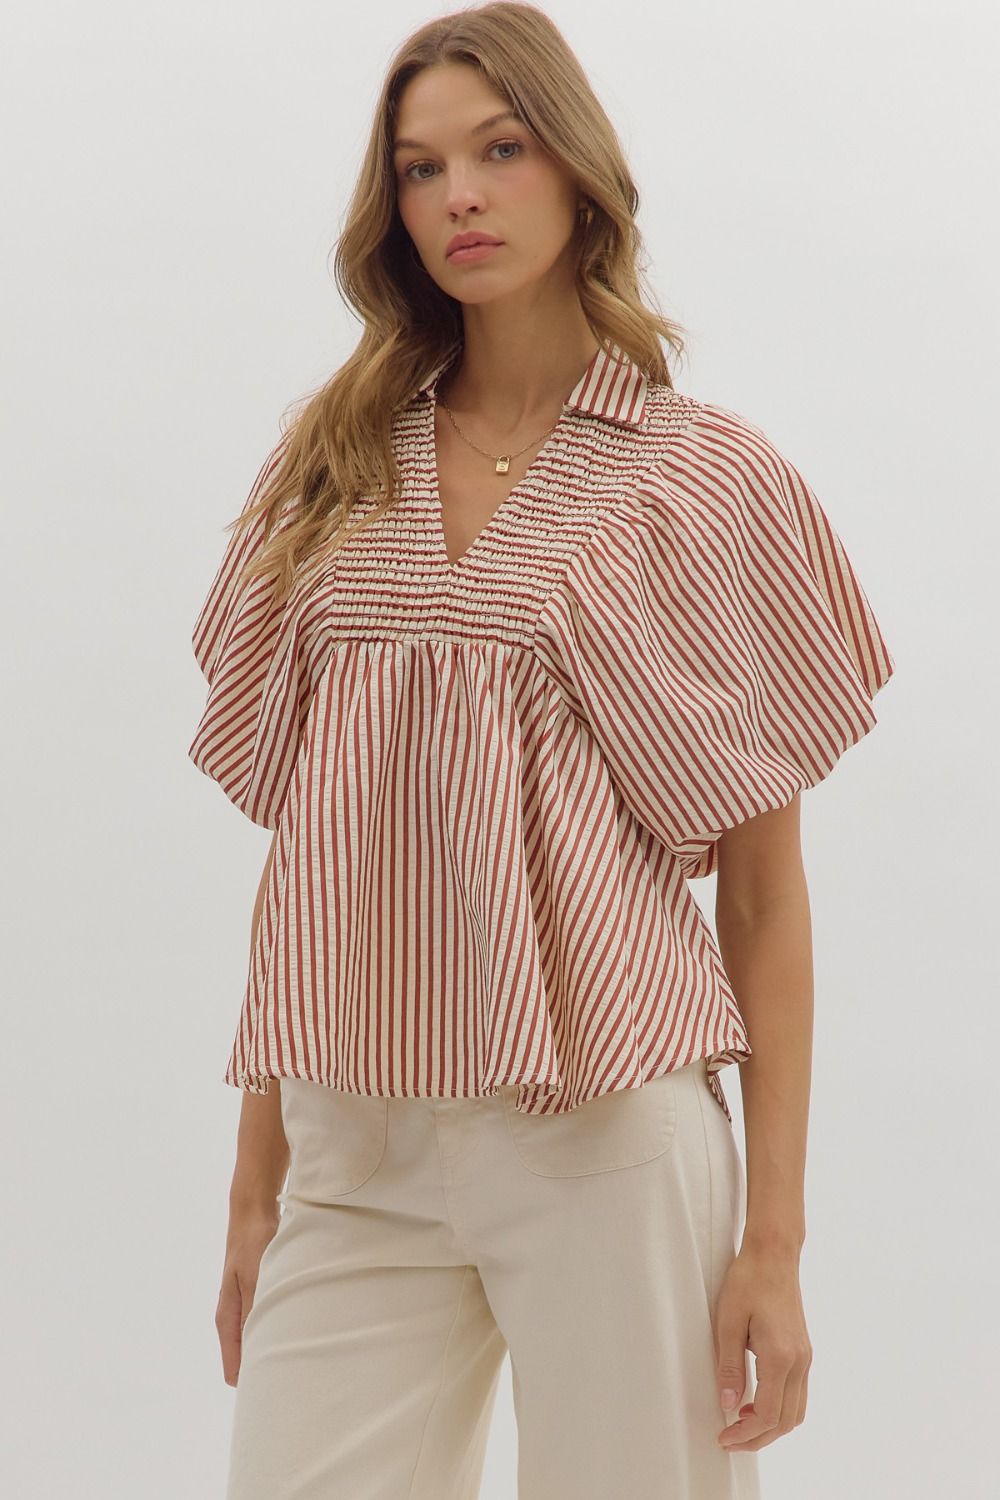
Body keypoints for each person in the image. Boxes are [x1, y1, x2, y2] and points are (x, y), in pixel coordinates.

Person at [188, 5, 895, 1497]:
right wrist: (259, 1183)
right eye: (421, 166)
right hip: (356, 1141)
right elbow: (312, 853)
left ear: (577, 170)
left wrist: (773, 1243)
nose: (461, 195)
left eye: (501, 150)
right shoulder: (331, 463)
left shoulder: (704, 481)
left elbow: (763, 895)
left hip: (603, 1135)